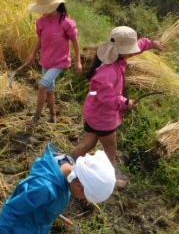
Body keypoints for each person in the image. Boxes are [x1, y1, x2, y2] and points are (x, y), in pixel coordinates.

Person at [70, 26, 163, 165]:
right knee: (110, 148)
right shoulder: (109, 73)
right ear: (123, 51)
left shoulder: (112, 56)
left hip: (93, 110)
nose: (132, 52)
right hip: (103, 117)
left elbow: (136, 48)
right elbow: (107, 98)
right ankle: (109, 179)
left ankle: (66, 162)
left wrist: (151, 44)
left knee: (88, 144)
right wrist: (126, 103)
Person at [26, 0, 82, 126]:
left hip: (59, 62)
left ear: (54, 6)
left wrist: (78, 61)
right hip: (45, 60)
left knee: (41, 86)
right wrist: (33, 53)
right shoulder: (41, 22)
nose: (42, 11)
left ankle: (36, 117)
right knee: (49, 92)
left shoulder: (65, 22)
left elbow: (75, 40)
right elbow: (41, 40)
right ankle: (53, 116)